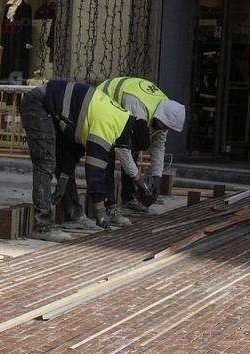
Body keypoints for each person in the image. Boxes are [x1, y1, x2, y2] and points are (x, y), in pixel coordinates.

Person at [19, 79, 151, 242]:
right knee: (45, 164)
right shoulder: (108, 125)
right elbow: (95, 173)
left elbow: (74, 150)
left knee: (58, 162)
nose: (128, 149)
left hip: (52, 109)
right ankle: (42, 226)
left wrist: (64, 179)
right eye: (131, 146)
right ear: (130, 136)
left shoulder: (120, 118)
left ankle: (73, 217)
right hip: (38, 104)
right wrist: (100, 211)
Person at [95, 76, 186, 215]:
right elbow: (121, 148)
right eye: (164, 126)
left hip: (123, 106)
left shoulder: (165, 112)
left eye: (168, 128)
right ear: (161, 118)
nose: (164, 130)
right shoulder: (138, 107)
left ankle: (128, 198)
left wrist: (157, 177)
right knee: (108, 154)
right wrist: (138, 179)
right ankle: (109, 205)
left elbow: (158, 147)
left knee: (135, 146)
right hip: (101, 100)